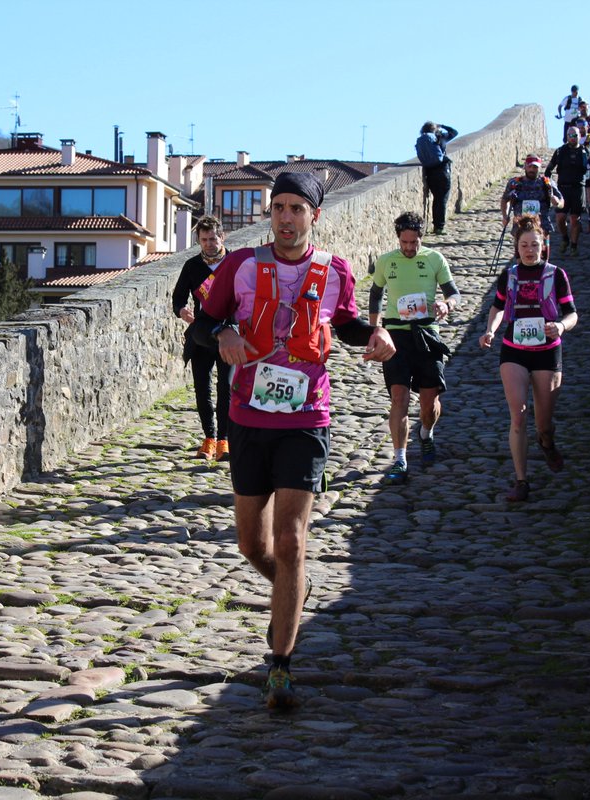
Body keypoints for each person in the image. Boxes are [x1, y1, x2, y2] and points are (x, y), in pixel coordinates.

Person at [193, 172, 395, 709]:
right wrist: (222, 332)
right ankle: (293, 586)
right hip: (247, 416)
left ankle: (280, 666)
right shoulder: (240, 265)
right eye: (278, 207)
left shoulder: (334, 270)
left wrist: (376, 334)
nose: (286, 217)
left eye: (296, 208)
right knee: (252, 545)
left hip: (307, 416)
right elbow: (201, 325)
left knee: (290, 541)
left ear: (314, 216)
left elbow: (347, 325)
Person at [479, 214, 578, 503]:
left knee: (543, 423)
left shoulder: (556, 275)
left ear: (543, 245)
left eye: (535, 245)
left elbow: (572, 313)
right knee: (519, 416)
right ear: (517, 247)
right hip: (514, 350)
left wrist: (560, 326)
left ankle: (546, 442)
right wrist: (490, 331)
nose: (529, 250)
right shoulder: (509, 276)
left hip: (547, 351)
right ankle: (521, 480)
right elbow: (497, 307)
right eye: (524, 245)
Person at [368, 211, 461, 484]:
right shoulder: (386, 261)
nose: (409, 247)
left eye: (414, 242)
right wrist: (374, 330)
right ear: (398, 238)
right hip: (395, 334)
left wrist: (447, 304)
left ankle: (426, 433)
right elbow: (375, 295)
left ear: (422, 237)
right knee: (399, 398)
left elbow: (453, 293)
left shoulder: (435, 259)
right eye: (404, 242)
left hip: (426, 333)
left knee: (429, 404)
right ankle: (400, 459)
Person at [173, 215, 232, 461]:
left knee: (226, 388)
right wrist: (182, 311)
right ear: (199, 240)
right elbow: (178, 297)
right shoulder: (192, 266)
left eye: (213, 239)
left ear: (222, 237)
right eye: (204, 240)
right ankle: (209, 439)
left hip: (229, 333)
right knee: (202, 388)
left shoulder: (234, 263)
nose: (209, 244)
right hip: (201, 334)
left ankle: (224, 441)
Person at [545, 127, 590, 254]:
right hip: (562, 189)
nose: (572, 138)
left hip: (578, 189)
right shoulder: (560, 151)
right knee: (560, 218)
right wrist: (549, 185)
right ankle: (565, 238)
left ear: (579, 136)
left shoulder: (585, 151)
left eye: (575, 135)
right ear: (567, 136)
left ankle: (574, 246)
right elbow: (548, 170)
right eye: (570, 135)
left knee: (575, 219)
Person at [501, 155, 564, 258]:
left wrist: (557, 202)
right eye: (529, 166)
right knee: (521, 260)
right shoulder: (514, 183)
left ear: (539, 168)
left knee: (542, 260)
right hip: (520, 227)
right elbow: (505, 199)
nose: (532, 169)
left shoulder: (547, 183)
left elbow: (561, 202)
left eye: (535, 167)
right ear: (525, 166)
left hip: (542, 227)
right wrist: (505, 216)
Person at [415, 121, 459, 235]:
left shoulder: (421, 140)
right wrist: (442, 126)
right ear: (434, 129)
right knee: (442, 199)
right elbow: (454, 132)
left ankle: (436, 225)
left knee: (436, 199)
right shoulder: (439, 138)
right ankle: (439, 227)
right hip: (442, 170)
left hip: (430, 173)